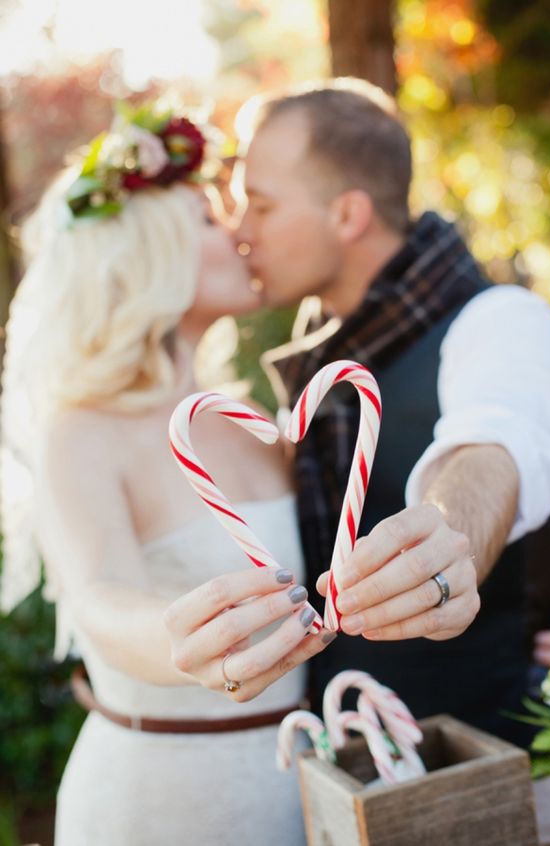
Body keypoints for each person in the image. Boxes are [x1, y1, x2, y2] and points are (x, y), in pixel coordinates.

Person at [163, 78, 550, 758]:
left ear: (347, 215)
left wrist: (446, 538)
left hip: (479, 767)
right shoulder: (324, 353)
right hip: (339, 759)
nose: (240, 231)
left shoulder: (498, 322)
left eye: (259, 206)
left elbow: (492, 446)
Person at [0, 102, 333, 846]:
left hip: (295, 788)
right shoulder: (82, 431)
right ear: (154, 256)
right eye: (211, 222)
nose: (240, 233)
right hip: (158, 801)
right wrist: (184, 641)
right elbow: (99, 597)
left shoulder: (248, 418)